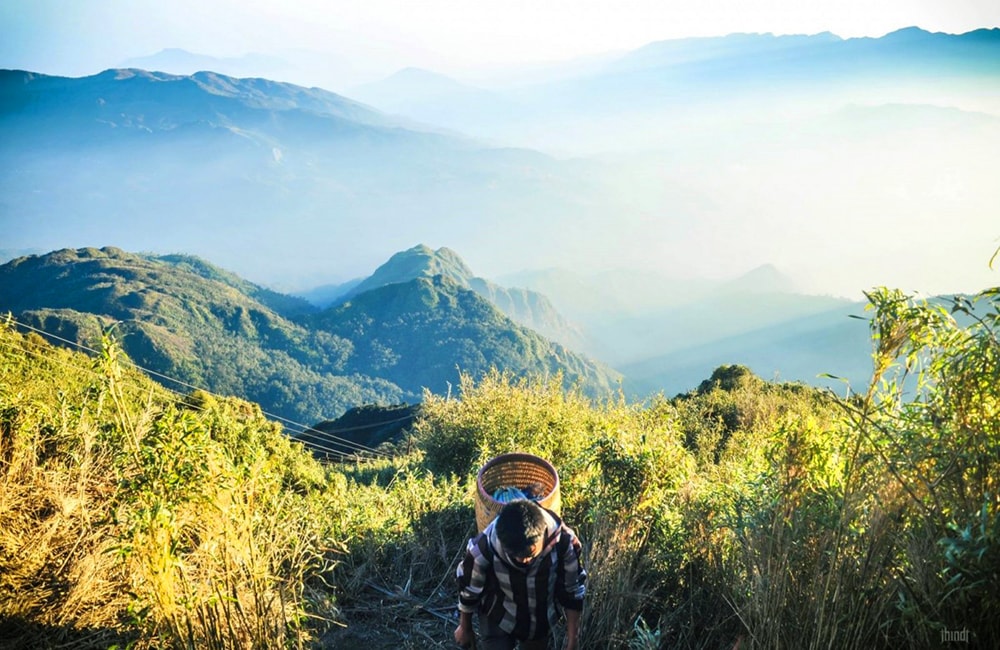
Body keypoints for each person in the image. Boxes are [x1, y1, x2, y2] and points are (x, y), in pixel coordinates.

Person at [454, 499, 587, 649]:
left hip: (540, 617)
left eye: (529, 553)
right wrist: (465, 627)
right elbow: (468, 590)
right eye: (513, 554)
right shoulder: (482, 549)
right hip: (498, 614)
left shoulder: (564, 542)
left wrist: (572, 640)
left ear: (541, 536)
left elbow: (573, 591)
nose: (522, 560)